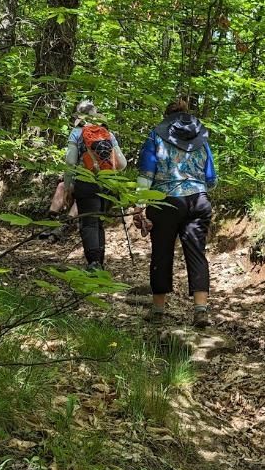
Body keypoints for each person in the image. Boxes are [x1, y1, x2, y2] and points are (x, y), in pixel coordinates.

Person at [132, 97, 217, 327]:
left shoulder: (156, 134)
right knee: (197, 253)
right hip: (198, 201)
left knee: (162, 253)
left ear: (166, 116)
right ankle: (201, 310)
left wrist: (139, 204)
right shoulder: (201, 137)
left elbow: (146, 173)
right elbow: (211, 178)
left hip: (164, 202)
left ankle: (158, 310)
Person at [61, 100, 127, 270]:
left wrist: (68, 187)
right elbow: (122, 164)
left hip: (86, 183)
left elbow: (69, 162)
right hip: (108, 183)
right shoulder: (108, 134)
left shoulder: (76, 133)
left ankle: (94, 263)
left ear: (79, 115)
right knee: (98, 223)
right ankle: (99, 263)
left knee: (88, 223)